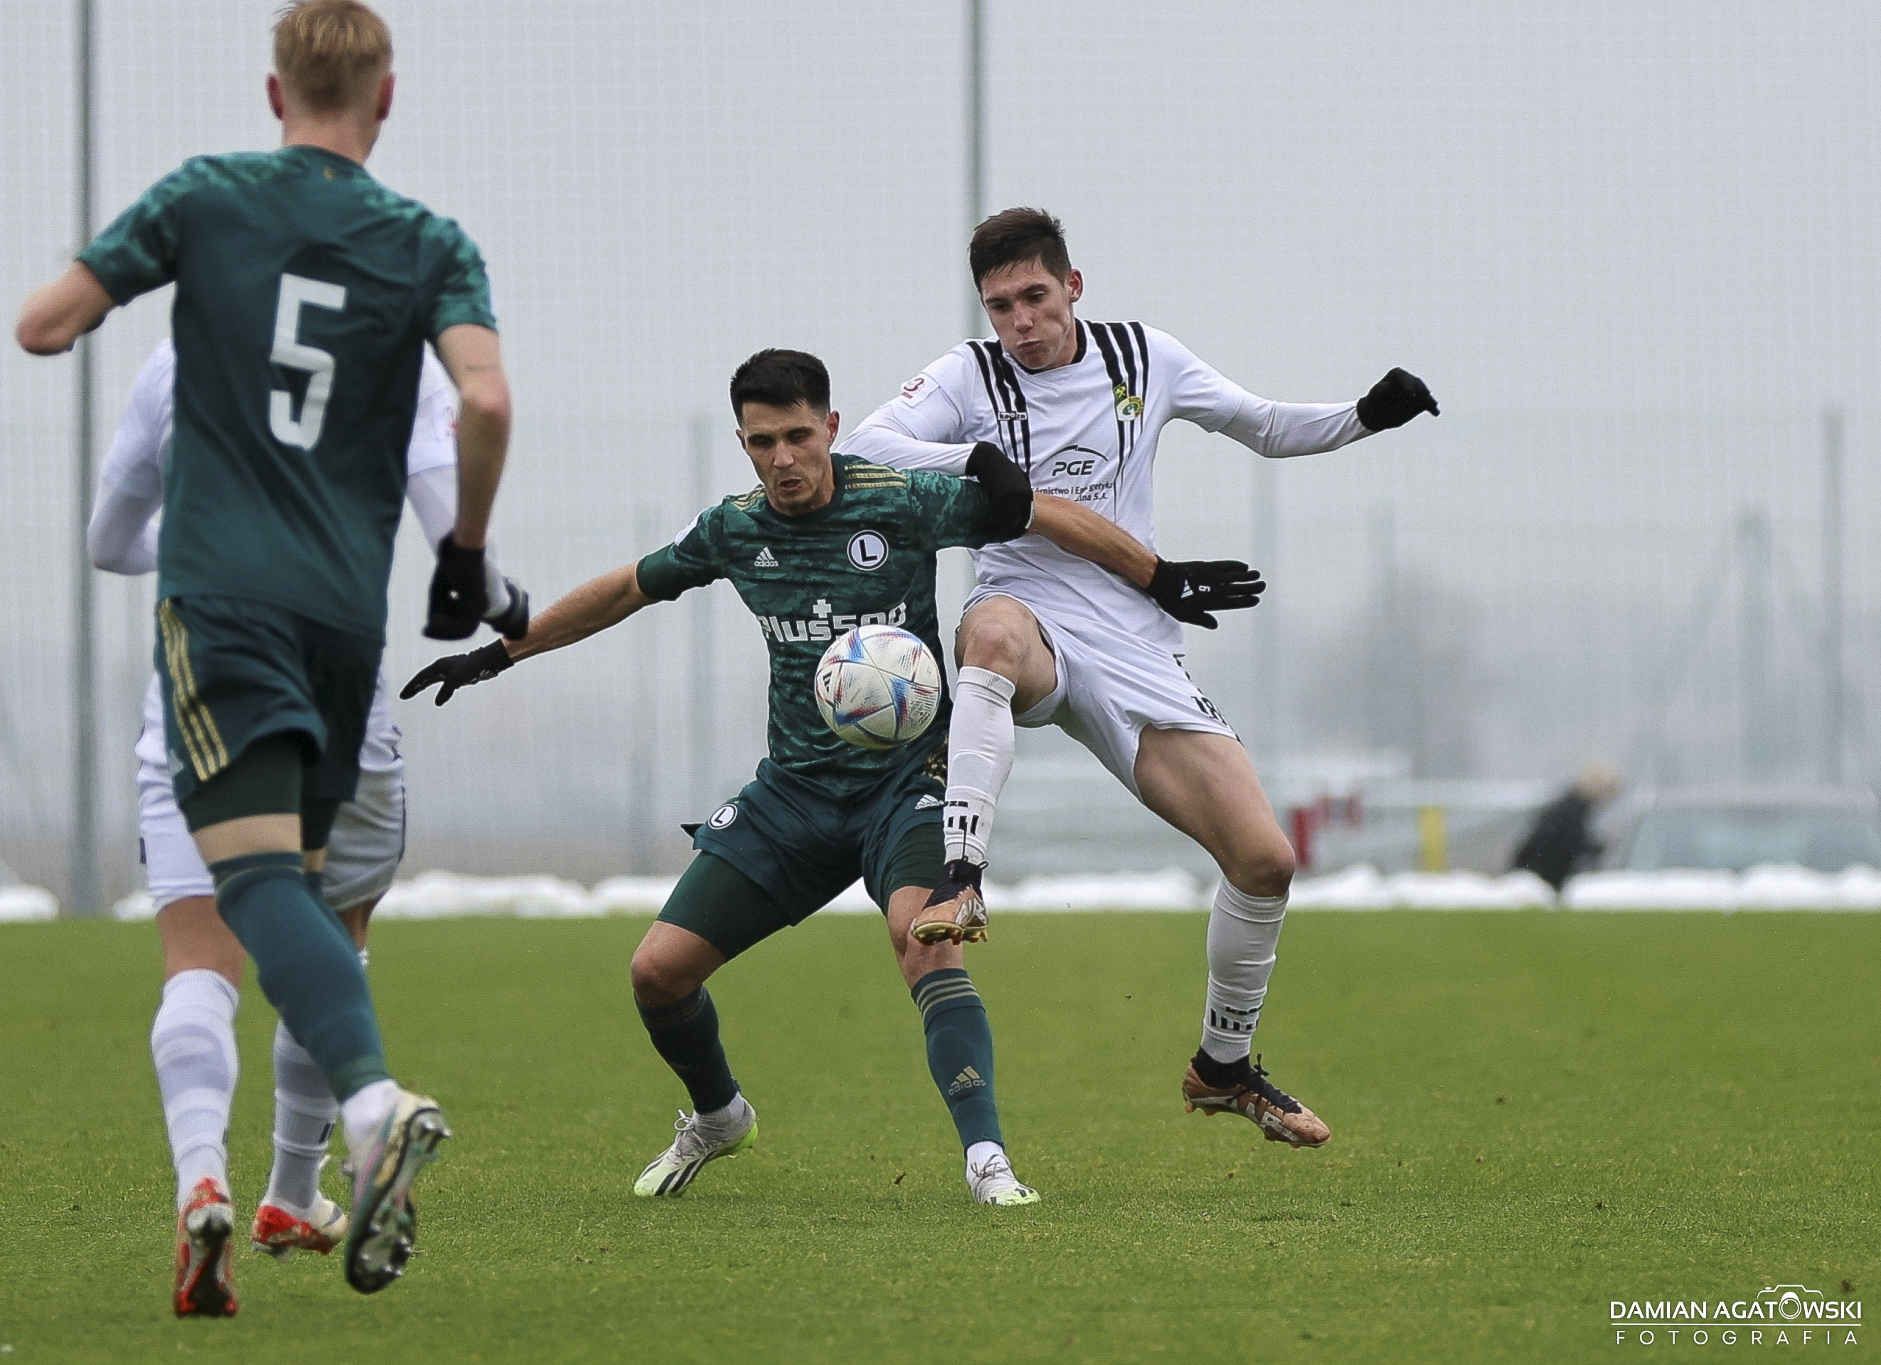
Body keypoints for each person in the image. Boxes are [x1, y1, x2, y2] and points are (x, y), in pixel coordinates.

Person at [16, 0, 516, 1311]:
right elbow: (485, 397)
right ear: (386, 98)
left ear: (273, 90)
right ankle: (305, 1170)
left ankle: (367, 1112)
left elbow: (44, 325)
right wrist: (467, 555)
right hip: (344, 624)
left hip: (226, 609)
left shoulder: (205, 199)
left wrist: (107, 291)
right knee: (295, 893)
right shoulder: (428, 241)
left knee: (239, 890)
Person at [406, 349, 1165, 1205]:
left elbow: (1037, 513)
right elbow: (625, 588)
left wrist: (1153, 574)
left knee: (927, 939)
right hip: (794, 795)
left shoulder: (898, 499)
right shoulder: (735, 529)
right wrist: (498, 654)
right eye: (762, 442)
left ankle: (987, 1160)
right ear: (743, 442)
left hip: (908, 783)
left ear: (831, 428)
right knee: (656, 972)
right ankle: (720, 1115)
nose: (783, 458)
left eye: (799, 436)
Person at [842, 208, 1443, 1151]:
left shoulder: (1142, 357)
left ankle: (1223, 1066)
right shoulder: (969, 375)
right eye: (1000, 305)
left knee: (1265, 861)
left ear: (1073, 286)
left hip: (1133, 642)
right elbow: (865, 448)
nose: (1020, 321)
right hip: (1028, 617)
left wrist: (1364, 415)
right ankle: (964, 877)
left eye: (1035, 296)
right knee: (986, 634)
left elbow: (1262, 424)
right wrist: (974, 459)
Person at [88, 340, 524, 1269]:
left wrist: (214, 545)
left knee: (198, 957)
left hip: (200, 678)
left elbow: (108, 543)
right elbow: (454, 531)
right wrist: (498, 596)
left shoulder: (179, 356)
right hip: (336, 682)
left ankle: (204, 1179)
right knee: (336, 930)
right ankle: (303, 1180)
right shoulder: (395, 351)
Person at [1511, 761, 1622, 891]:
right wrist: (1599, 847)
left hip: (1535, 875)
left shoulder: (1567, 808)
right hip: (1539, 879)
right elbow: (1571, 845)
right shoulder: (1570, 812)